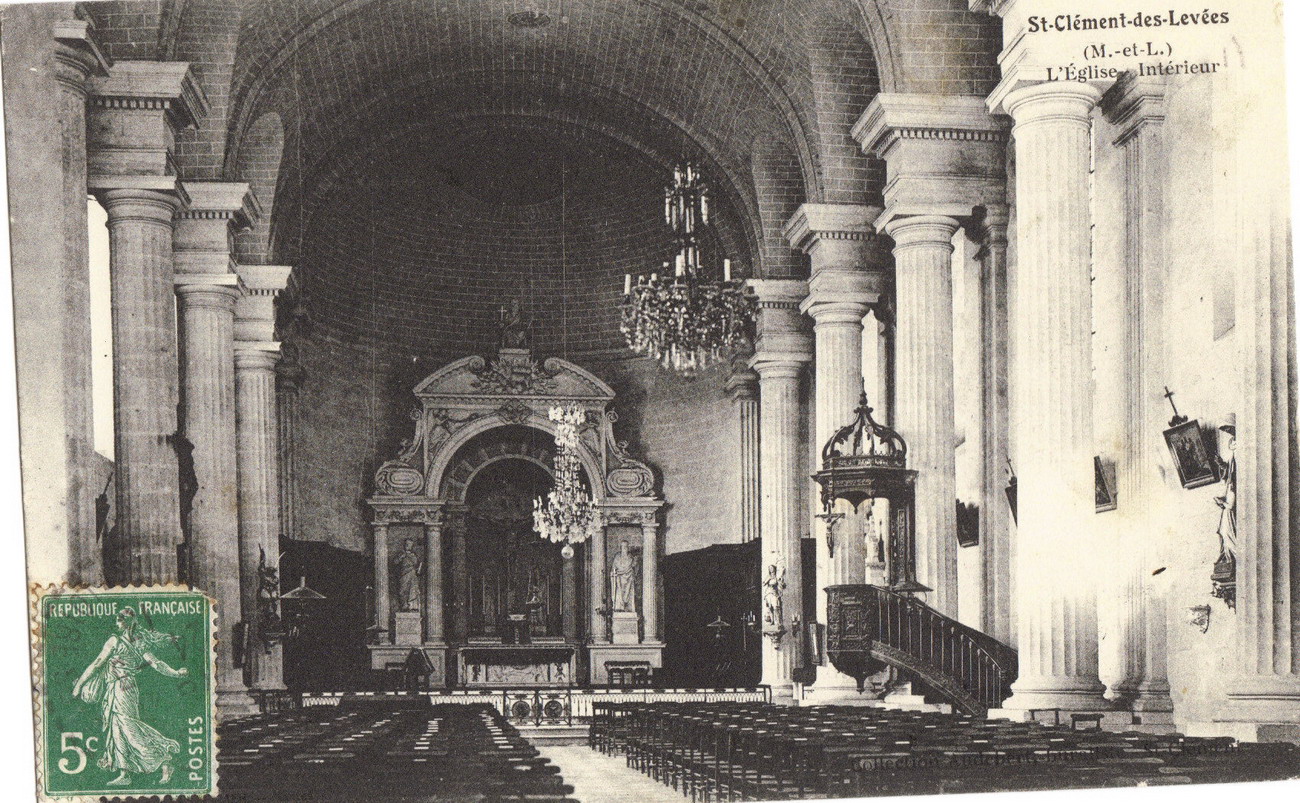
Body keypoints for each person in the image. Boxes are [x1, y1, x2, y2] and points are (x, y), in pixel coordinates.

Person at [71, 607, 185, 787]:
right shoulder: (139, 642)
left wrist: (79, 685)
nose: (116, 622)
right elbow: (156, 664)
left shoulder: (116, 641)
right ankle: (125, 773)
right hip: (121, 687)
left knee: (128, 727)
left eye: (119, 619)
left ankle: (164, 759)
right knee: (117, 729)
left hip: (122, 688)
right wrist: (176, 673)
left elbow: (97, 664)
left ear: (126, 622)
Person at [394, 538, 423, 611]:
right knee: (402, 590)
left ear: (412, 546)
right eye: (406, 544)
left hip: (412, 574)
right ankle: (404, 606)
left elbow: (417, 564)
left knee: (413, 590)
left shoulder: (414, 555)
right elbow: (395, 562)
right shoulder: (401, 554)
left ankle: (412, 606)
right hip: (403, 574)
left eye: (409, 544)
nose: (408, 545)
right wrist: (401, 557)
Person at [610, 540, 637, 612]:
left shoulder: (631, 558)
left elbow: (634, 568)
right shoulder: (617, 557)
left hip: (629, 578)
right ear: (621, 548)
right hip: (619, 579)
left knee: (628, 593)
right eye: (623, 546)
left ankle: (628, 608)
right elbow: (613, 569)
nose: (625, 548)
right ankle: (620, 607)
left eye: (626, 546)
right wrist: (613, 574)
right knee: (619, 593)